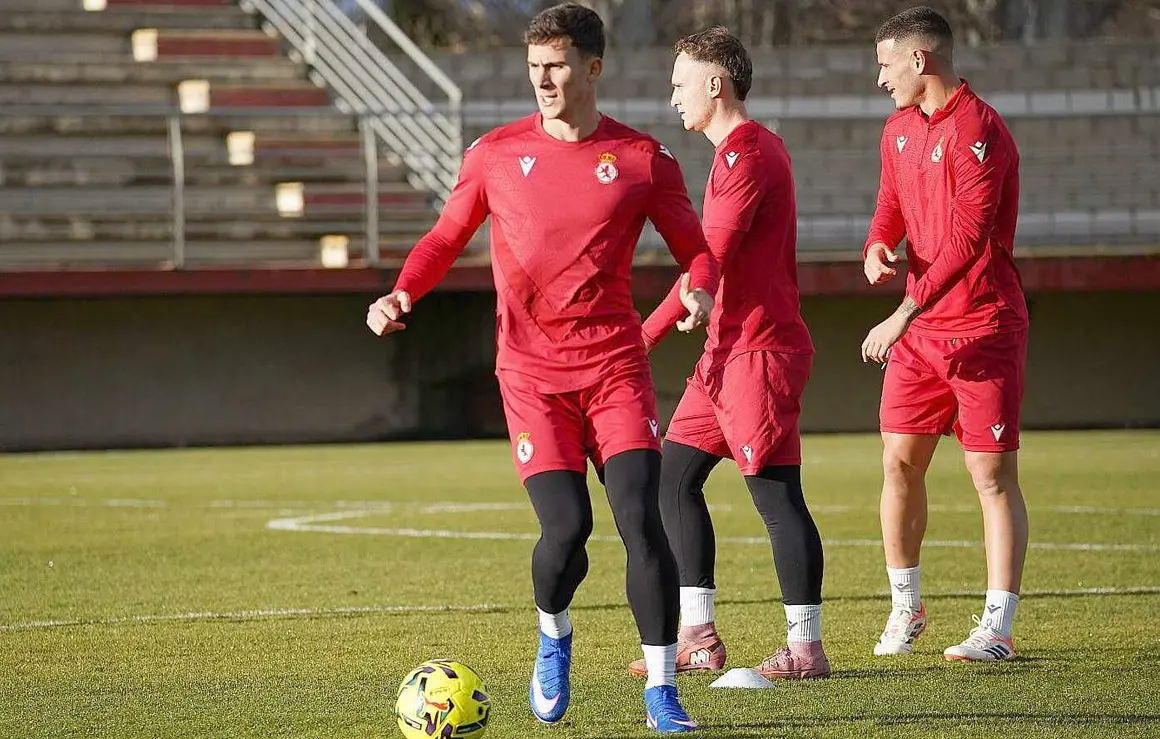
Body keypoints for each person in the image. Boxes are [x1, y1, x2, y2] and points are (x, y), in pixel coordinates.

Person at [366, 3, 715, 731]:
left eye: (556, 66)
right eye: (534, 69)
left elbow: (697, 248)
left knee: (640, 522)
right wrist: (402, 290)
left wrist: (703, 290)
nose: (544, 81)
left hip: (616, 370)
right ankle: (553, 633)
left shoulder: (644, 159)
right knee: (567, 530)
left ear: (593, 67)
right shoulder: (493, 154)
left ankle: (661, 689)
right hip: (531, 379)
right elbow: (443, 237)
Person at [627, 26, 829, 681]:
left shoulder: (750, 155)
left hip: (759, 354)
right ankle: (698, 636)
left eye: (681, 84)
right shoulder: (730, 155)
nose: (673, 99)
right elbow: (706, 260)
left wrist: (672, 315)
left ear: (716, 84)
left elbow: (708, 256)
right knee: (672, 479)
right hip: (724, 354)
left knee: (775, 495)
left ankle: (805, 649)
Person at [860, 6, 1029, 662]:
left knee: (991, 474)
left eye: (885, 65)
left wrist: (903, 311)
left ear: (919, 60)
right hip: (922, 337)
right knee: (898, 462)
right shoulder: (898, 127)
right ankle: (907, 608)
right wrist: (879, 244)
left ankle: (997, 626)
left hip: (983, 328)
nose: (881, 79)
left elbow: (968, 238)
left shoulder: (982, 130)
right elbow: (891, 203)